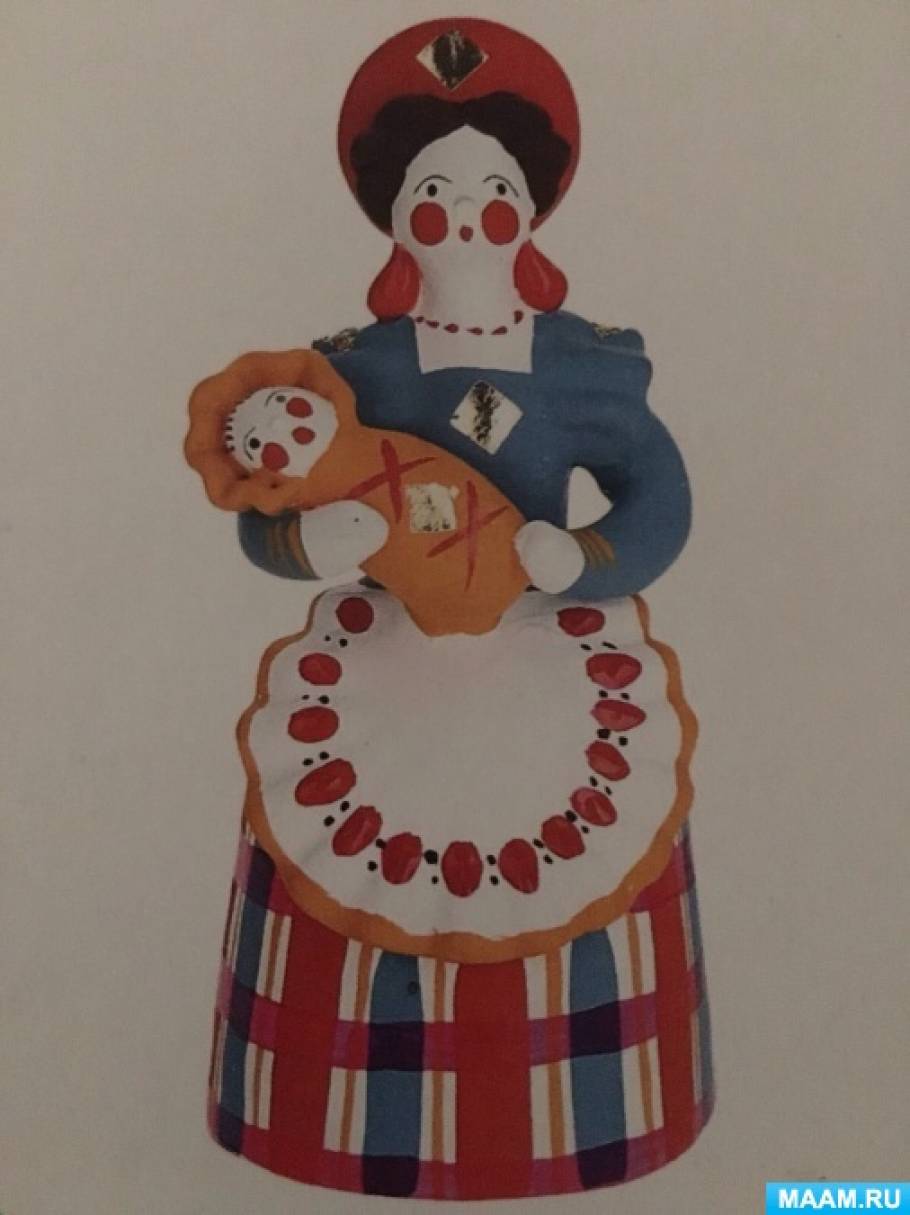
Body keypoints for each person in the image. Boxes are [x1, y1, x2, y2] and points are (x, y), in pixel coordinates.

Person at [204, 17, 713, 1200]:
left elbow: (660, 497)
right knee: (344, 837)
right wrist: (304, 540)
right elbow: (267, 512)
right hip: (387, 664)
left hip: (545, 655)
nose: (466, 221)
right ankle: (325, 1116)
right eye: (433, 198)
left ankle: (598, 1112)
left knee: (583, 834)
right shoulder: (353, 369)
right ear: (393, 218)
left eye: (492, 194)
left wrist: (581, 556)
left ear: (531, 208)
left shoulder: (588, 365)